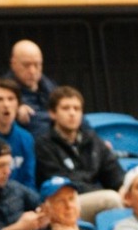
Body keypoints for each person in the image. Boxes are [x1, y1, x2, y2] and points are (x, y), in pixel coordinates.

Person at [37, 86, 125, 221]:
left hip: (94, 195)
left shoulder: (92, 139)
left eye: (76, 109)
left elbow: (113, 171)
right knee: (111, 200)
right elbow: (63, 183)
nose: (72, 113)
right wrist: (102, 191)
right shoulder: (43, 144)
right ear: (52, 113)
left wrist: (127, 190)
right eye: (66, 108)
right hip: (65, 201)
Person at [0, 39, 60, 136]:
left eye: (37, 65)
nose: (32, 71)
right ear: (13, 64)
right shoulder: (2, 88)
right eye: (26, 65)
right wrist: (13, 110)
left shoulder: (50, 86)